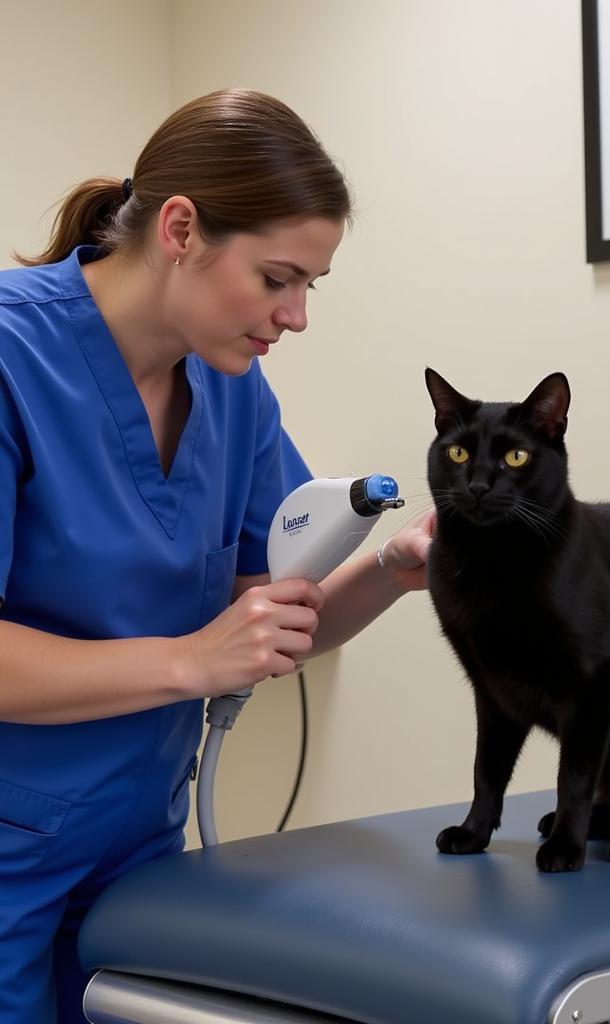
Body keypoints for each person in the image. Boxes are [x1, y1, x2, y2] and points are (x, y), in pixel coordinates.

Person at [0, 88, 434, 1023]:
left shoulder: (233, 392)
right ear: (182, 228)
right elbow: (210, 651)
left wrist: (397, 570)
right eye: (278, 278)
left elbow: (271, 616)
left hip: (135, 853)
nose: (297, 315)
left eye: (311, 285)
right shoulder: (9, 354)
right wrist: (189, 660)